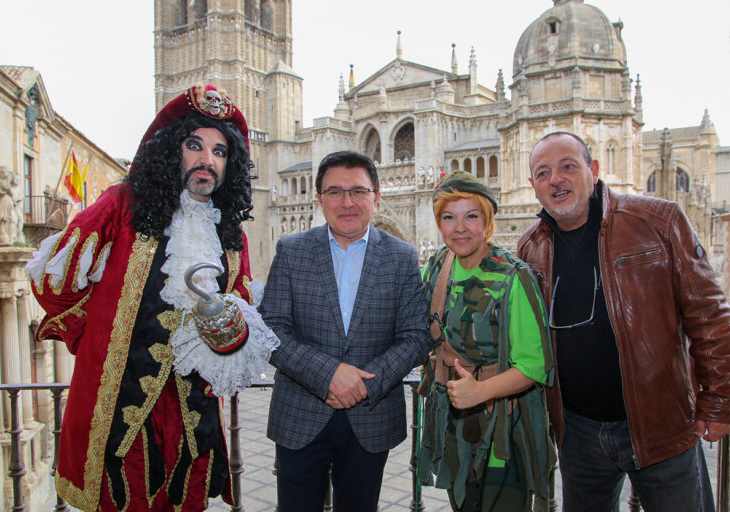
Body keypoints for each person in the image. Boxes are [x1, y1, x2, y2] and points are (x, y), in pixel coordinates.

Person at [26, 84, 279, 511]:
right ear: (170, 149)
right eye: (195, 145)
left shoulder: (229, 233)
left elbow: (239, 303)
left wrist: (231, 334)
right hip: (119, 414)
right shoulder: (122, 204)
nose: (207, 160)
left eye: (219, 152)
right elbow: (55, 279)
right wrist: (98, 335)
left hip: (192, 413)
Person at [517, 131, 730, 511]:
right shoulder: (531, 246)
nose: (556, 180)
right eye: (544, 173)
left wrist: (718, 401)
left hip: (659, 423)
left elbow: (709, 313)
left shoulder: (658, 220)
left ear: (593, 171)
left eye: (568, 167)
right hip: (578, 432)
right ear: (533, 185)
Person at [260, 150, 433, 512]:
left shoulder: (402, 257)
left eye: (358, 191)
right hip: (300, 414)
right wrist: (328, 376)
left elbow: (416, 336)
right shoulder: (291, 251)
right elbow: (271, 330)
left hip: (370, 419)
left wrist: (363, 384)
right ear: (319, 198)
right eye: (335, 192)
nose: (347, 202)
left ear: (376, 196)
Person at [417, 171, 555, 511]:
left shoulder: (513, 276)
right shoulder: (437, 267)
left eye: (471, 216)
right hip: (453, 428)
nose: (459, 228)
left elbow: (536, 366)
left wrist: (481, 391)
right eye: (448, 217)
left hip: (504, 431)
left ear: (488, 220)